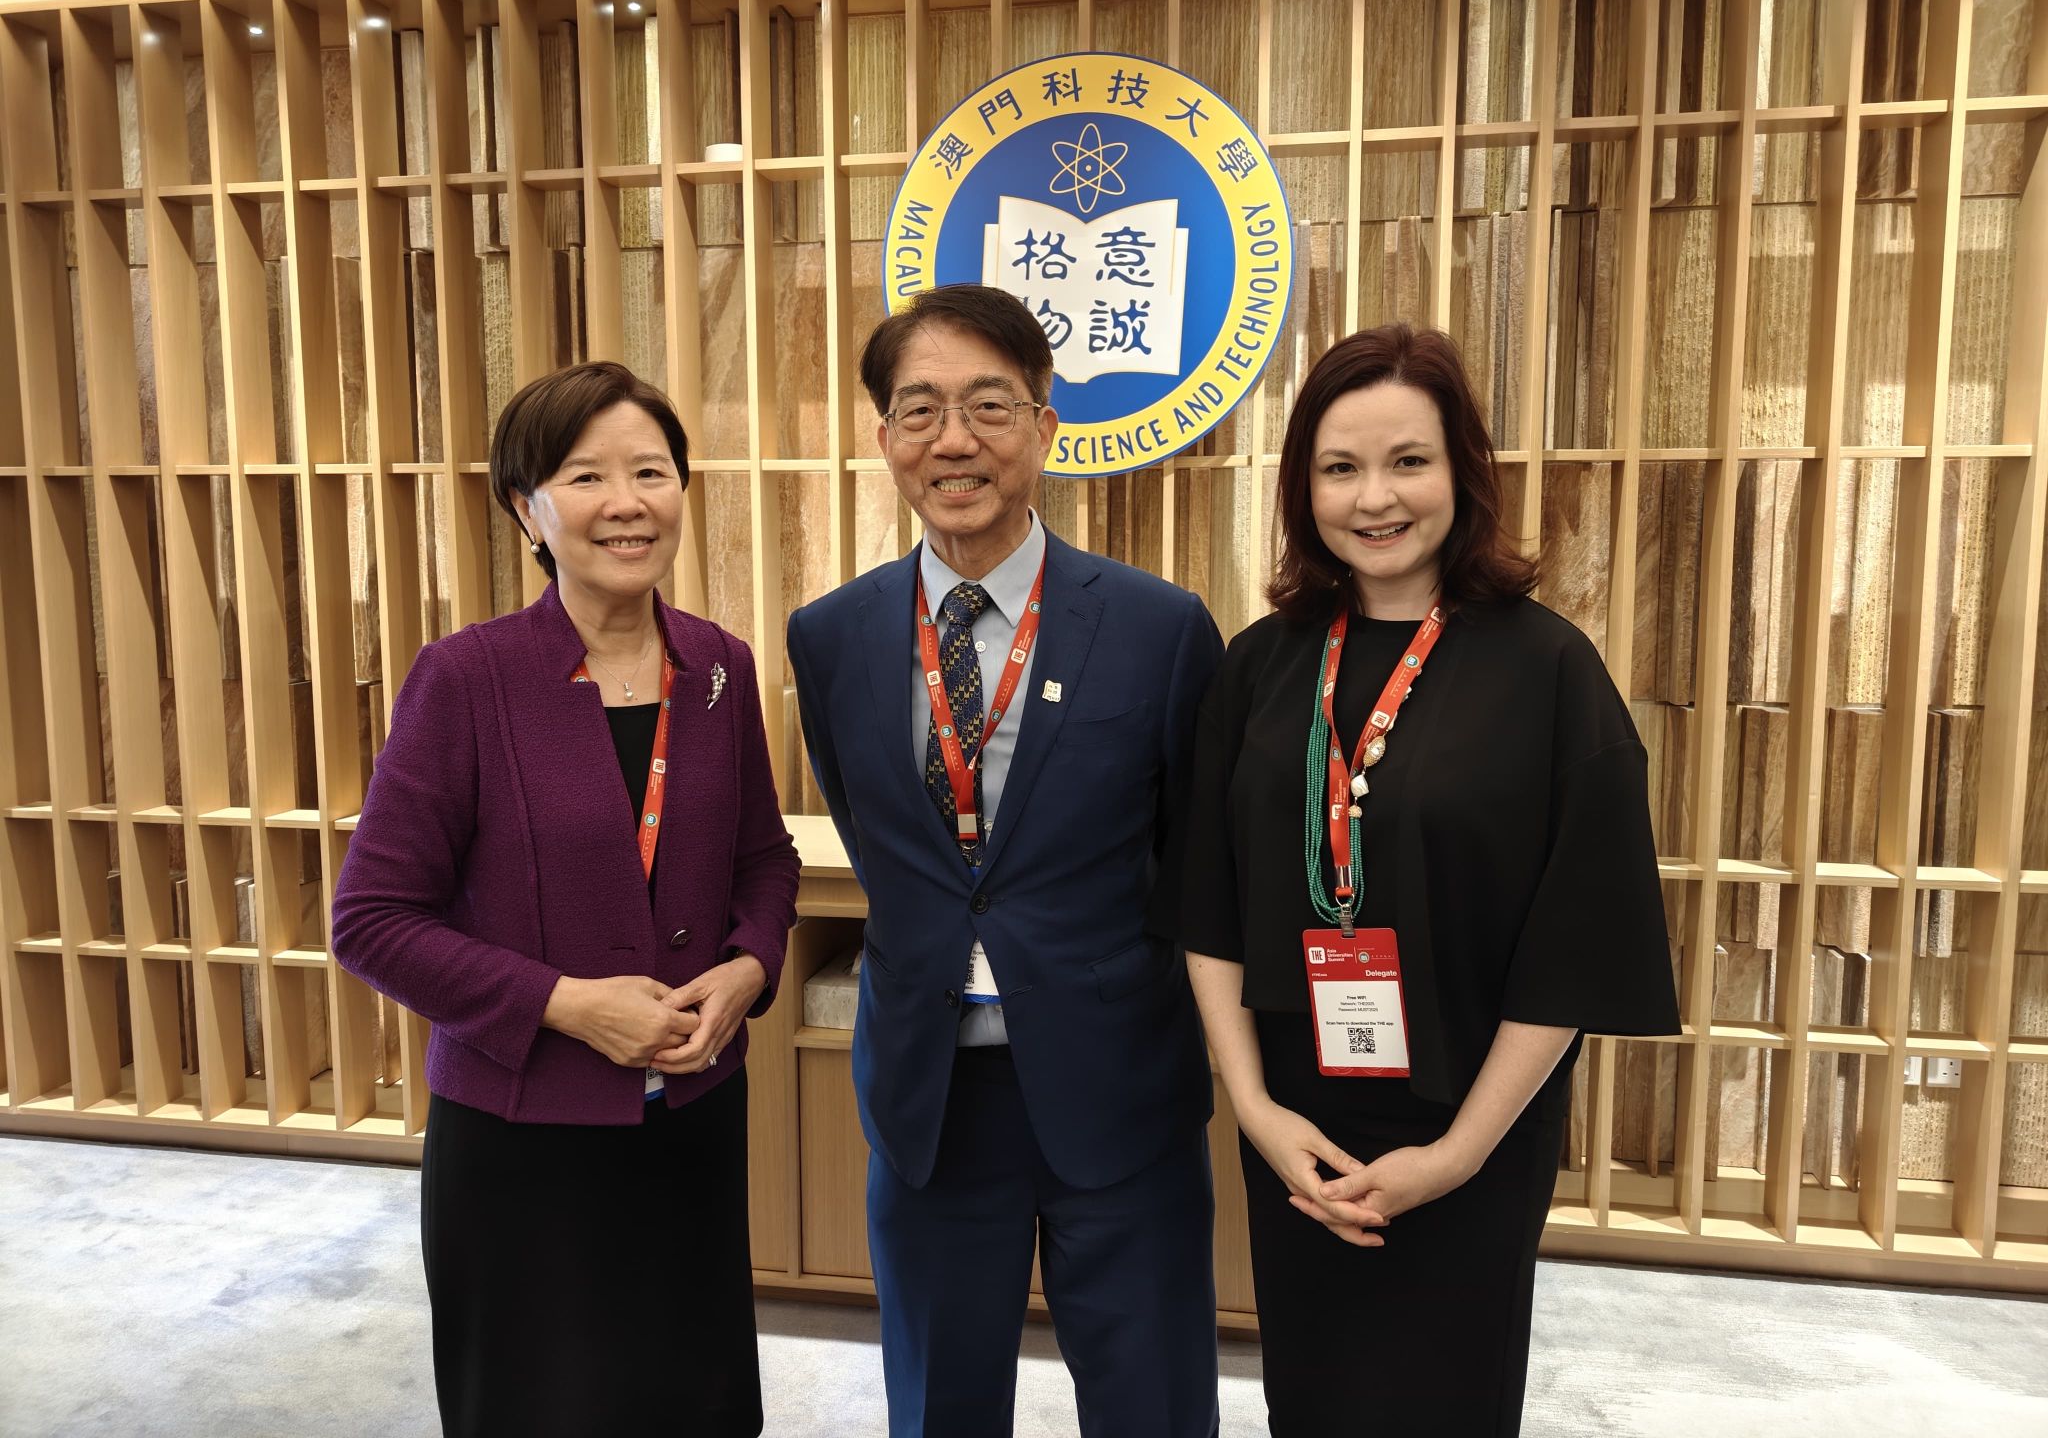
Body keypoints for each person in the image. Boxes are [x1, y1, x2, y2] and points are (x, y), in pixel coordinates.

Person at [1165, 324, 1680, 1435]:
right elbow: (1206, 903)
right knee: (1311, 1399)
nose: (1374, 498)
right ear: (1303, 488)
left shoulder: (1549, 670)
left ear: (1462, 472)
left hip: (1471, 1128)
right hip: (1297, 1125)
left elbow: (1576, 942)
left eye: (1408, 461)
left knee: (1446, 1400)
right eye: (1339, 467)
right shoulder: (1259, 665)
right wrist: (1255, 1110)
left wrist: (1453, 1157)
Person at [785, 284, 1225, 1438]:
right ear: (883, 435)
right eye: (919, 409)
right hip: (930, 1097)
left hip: (1116, 1087)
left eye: (989, 405)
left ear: (1043, 426)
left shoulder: (1159, 627)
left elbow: (1191, 859)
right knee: (939, 1407)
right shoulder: (828, 637)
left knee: (1152, 1407)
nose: (954, 440)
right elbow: (885, 839)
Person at [330, 361, 800, 1437]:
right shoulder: (466, 679)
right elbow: (372, 920)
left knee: (694, 1406)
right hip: (520, 1141)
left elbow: (763, 861)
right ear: (526, 508)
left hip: (691, 1120)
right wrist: (568, 1004)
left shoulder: (718, 669)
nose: (626, 503)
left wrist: (747, 968)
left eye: (651, 472)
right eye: (586, 477)